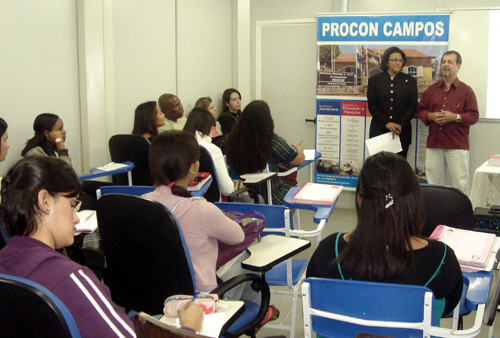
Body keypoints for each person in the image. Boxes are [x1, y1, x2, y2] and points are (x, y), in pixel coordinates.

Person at [0, 156, 204, 336]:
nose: (75, 219)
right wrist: (188, 329)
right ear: (45, 201)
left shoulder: (5, 265)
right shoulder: (69, 278)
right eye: (72, 204)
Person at [306, 152, 463, 318]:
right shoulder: (441, 259)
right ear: (415, 199)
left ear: (360, 199)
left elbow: (312, 301)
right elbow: (447, 308)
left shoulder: (330, 250)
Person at [143, 131, 278, 323]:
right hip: (199, 301)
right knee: (248, 254)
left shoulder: (142, 203)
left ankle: (258, 316)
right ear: (191, 168)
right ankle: (258, 315)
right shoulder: (199, 208)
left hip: (153, 296)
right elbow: (237, 236)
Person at [417, 50, 478, 194]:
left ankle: (461, 216)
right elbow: (420, 110)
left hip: (456, 145)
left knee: (460, 184)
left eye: (450, 62)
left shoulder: (466, 91)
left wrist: (455, 117)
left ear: (458, 66)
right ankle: (437, 215)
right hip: (434, 144)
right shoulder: (431, 90)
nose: (446, 65)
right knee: (434, 185)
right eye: (443, 62)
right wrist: (430, 116)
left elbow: (474, 116)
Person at [225, 100, 305, 205]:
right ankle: (284, 220)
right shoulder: (270, 139)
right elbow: (298, 160)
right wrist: (300, 150)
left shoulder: (234, 137)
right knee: (295, 193)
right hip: (269, 192)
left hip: (242, 192)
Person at [367, 46, 418, 159]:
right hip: (379, 130)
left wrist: (400, 124)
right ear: (386, 61)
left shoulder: (410, 81)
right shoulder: (375, 80)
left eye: (400, 60)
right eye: (394, 60)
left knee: (398, 169)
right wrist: (387, 123)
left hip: (401, 132)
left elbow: (412, 106)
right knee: (378, 167)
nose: (398, 62)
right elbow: (372, 105)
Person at [183, 108, 235, 198]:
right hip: (210, 204)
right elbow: (227, 190)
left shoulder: (177, 145)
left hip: (179, 202)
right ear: (208, 127)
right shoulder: (212, 150)